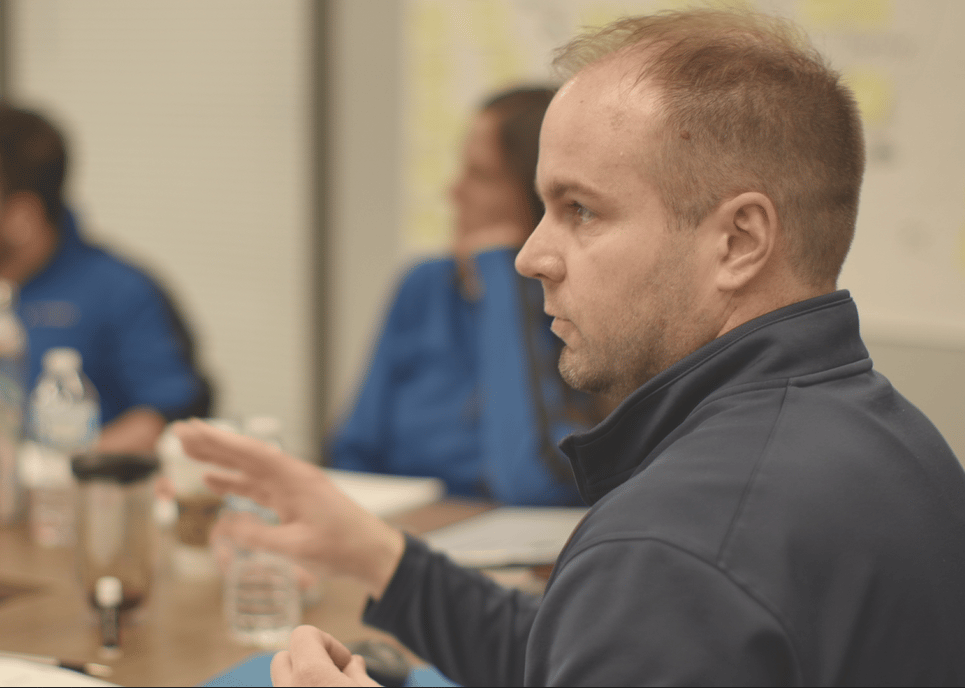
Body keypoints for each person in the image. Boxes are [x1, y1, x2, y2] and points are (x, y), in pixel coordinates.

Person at [175, 8, 965, 686]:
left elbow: (637, 617)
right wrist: (380, 555)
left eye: (580, 210)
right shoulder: (894, 438)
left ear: (739, 241)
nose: (531, 255)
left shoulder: (673, 547)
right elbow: (590, 651)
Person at [330, 87, 602, 506]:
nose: (454, 193)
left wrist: (504, 280)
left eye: (482, 175)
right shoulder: (424, 287)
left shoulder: (588, 313)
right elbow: (352, 452)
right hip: (404, 539)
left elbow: (531, 482)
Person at [0, 101, 211, 452]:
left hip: (66, 491)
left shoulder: (122, 292)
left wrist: (61, 474)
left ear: (23, 217)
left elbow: (168, 414)